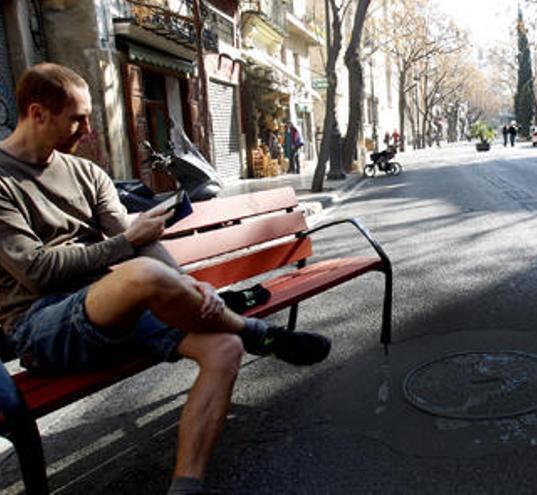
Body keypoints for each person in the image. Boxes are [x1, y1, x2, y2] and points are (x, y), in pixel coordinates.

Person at [0, 63, 331, 494]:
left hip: (110, 306)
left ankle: (186, 485)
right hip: (40, 325)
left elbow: (138, 239)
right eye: (76, 118)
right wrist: (129, 249)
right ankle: (254, 329)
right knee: (139, 273)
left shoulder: (86, 172)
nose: (86, 130)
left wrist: (194, 287)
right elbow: (38, 270)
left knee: (224, 348)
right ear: (37, 112)